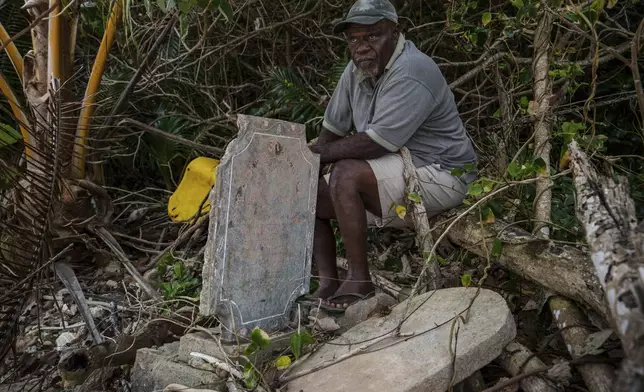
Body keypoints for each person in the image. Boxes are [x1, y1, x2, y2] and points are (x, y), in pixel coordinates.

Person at [307, 0, 477, 311]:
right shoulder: (355, 70)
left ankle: (359, 282)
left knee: (345, 173)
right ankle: (328, 283)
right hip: (398, 167)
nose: (361, 47)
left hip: (443, 173)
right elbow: (333, 127)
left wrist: (317, 156)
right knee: (308, 192)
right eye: (354, 39)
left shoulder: (412, 69)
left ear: (395, 32)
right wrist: (309, 168)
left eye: (372, 36)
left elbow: (377, 143)